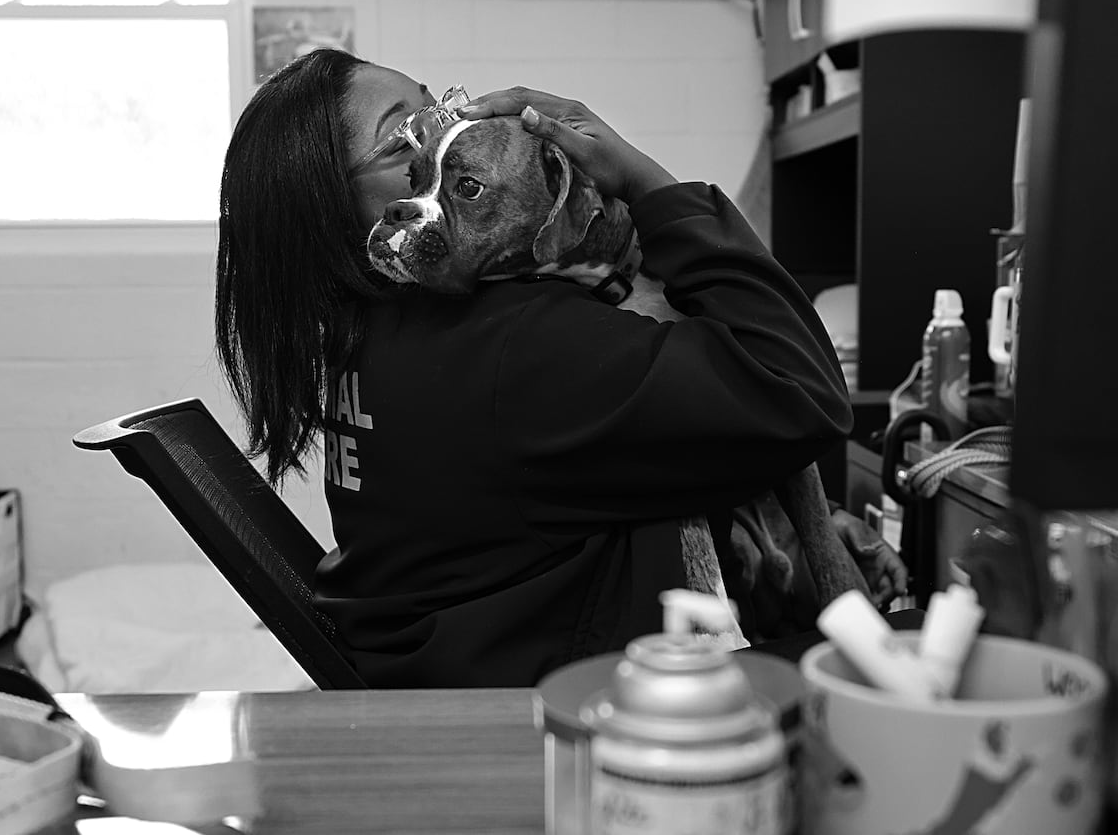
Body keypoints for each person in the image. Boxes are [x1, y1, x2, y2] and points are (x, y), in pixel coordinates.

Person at [215, 48, 853, 688]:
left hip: (433, 677)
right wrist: (645, 180)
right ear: (327, 209)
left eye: (441, 108)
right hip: (528, 719)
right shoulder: (512, 343)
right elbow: (800, 392)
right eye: (403, 138)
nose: (441, 137)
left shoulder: (374, 335)